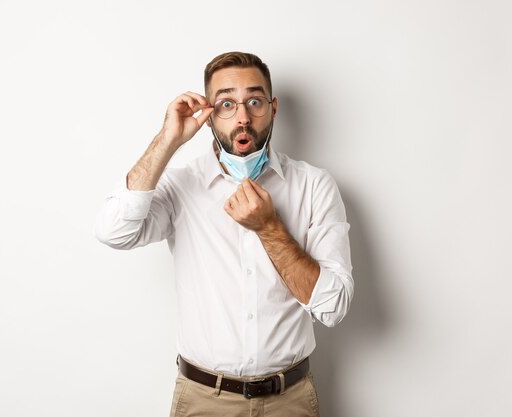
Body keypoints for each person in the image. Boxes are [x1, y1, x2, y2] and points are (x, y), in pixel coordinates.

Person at [95, 51, 354, 417]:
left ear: (273, 107)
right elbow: (113, 231)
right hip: (204, 400)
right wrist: (168, 139)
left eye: (254, 101)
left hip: (290, 400)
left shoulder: (314, 186)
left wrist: (269, 227)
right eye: (227, 104)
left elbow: (333, 308)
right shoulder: (182, 186)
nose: (243, 117)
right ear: (210, 114)